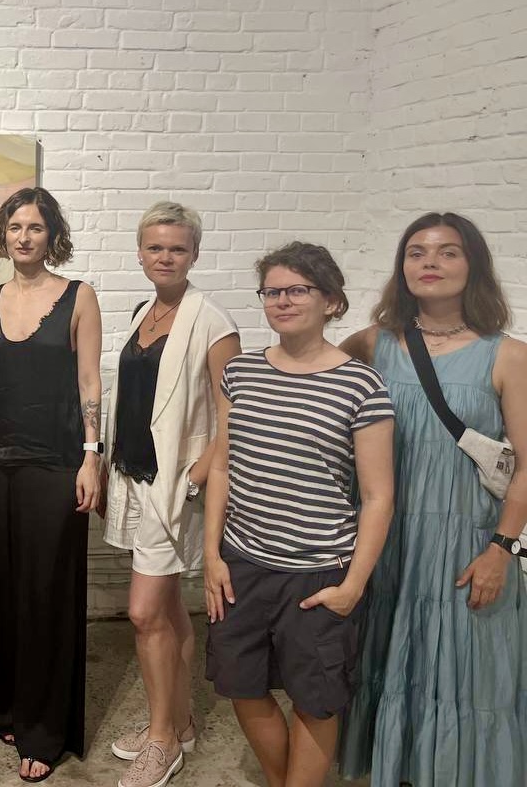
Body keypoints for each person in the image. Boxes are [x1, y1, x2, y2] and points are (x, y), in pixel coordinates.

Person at [338, 213, 527, 787]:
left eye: (448, 252)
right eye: (417, 252)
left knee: (466, 670)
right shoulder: (370, 344)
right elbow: (315, 395)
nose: (430, 263)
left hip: (464, 542)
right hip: (385, 536)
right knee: (387, 655)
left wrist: (501, 548)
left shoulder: (507, 355)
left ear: (474, 266)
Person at [203, 242, 395, 787]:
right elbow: (222, 466)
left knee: (316, 700)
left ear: (331, 301)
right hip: (242, 564)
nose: (282, 301)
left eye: (297, 290)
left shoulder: (360, 384)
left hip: (318, 572)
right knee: (242, 685)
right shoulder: (240, 372)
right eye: (272, 292)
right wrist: (212, 554)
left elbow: (378, 496)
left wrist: (353, 585)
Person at [103, 202, 240, 787]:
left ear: (195, 255)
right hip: (137, 477)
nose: (165, 257)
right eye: (156, 247)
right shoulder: (145, 313)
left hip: (174, 486)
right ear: (140, 253)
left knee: (142, 613)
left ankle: (162, 741)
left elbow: (233, 417)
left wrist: (195, 478)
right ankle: (179, 722)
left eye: (177, 248)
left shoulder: (214, 322)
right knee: (167, 611)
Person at [0, 187, 102, 783]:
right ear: (3, 234)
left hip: (55, 464)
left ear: (53, 236)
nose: (24, 237)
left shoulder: (79, 297)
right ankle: (4, 709)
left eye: (36, 227)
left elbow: (89, 383)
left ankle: (45, 728)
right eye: (16, 227)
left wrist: (91, 457)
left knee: (46, 594)